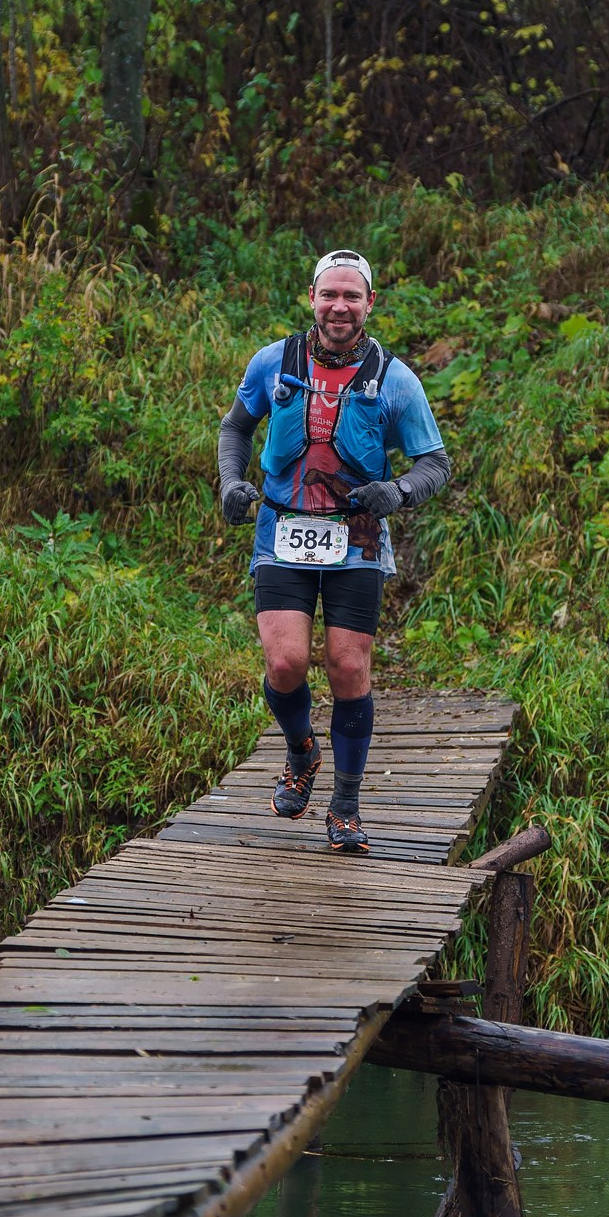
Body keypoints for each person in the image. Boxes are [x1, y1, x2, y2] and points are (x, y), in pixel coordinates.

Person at [217, 249, 450, 852]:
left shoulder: (395, 377)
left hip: (357, 539)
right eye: (330, 295)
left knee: (348, 670)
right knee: (285, 664)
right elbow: (235, 428)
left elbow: (435, 463)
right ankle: (301, 750)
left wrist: (396, 491)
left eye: (352, 296)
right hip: (282, 531)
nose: (339, 306)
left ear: (370, 303)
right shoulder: (275, 362)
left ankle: (345, 804)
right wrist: (231, 481)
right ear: (312, 299)